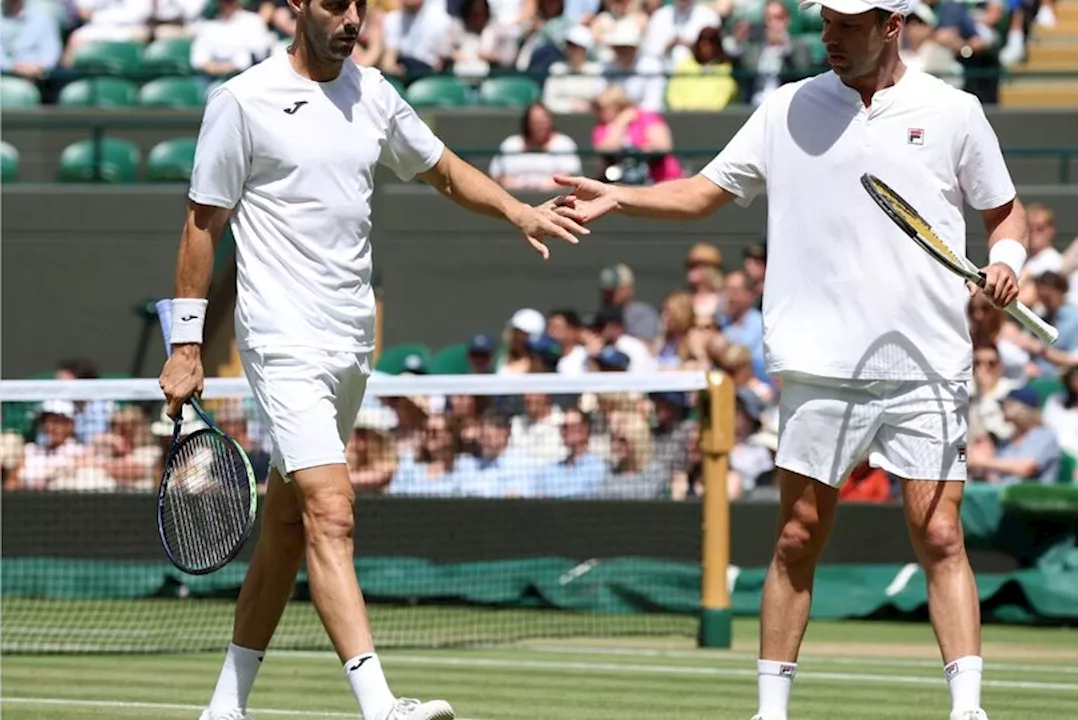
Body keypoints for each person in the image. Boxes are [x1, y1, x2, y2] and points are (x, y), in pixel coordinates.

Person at [552, 2, 1024, 717]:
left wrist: (1009, 259)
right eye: (826, 22)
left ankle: (967, 709)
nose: (829, 35)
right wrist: (622, 197)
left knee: (940, 531)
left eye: (849, 24)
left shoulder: (954, 110)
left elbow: (1004, 213)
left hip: (927, 362)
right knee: (798, 537)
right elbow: (706, 192)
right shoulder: (784, 108)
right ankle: (770, 711)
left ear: (892, 26)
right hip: (817, 365)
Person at [157, 0, 591, 716]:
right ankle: (380, 704)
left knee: (288, 526)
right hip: (281, 337)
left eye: (361, 3)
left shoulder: (375, 93)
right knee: (333, 511)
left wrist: (519, 211)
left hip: (352, 342)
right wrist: (186, 343)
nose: (352, 17)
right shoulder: (241, 101)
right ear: (298, 5)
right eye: (335, 3)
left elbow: (445, 170)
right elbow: (204, 222)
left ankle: (223, 708)